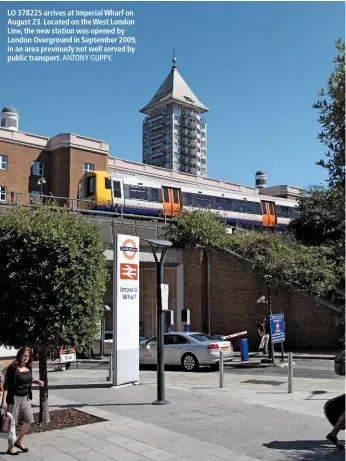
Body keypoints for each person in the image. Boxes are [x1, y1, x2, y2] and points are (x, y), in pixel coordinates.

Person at [1, 348, 44, 455]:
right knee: (12, 423)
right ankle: (10, 447)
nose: (26, 358)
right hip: (13, 398)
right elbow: (7, 385)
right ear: (20, 355)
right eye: (24, 355)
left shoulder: (28, 367)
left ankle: (19, 441)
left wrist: (35, 381)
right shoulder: (13, 367)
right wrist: (3, 401)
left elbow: (27, 380)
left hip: (25, 398)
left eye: (28, 356)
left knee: (29, 419)